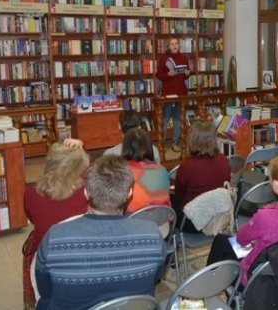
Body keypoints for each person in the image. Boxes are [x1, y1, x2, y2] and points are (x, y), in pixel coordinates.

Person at [34, 155, 166, 310]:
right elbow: (155, 278)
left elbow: (46, 292)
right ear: (130, 193)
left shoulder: (54, 238)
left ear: (86, 193)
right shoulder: (152, 234)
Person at [206, 155, 278, 286]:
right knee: (223, 241)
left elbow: (241, 239)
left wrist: (255, 239)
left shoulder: (265, 216)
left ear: (275, 184)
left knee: (221, 241)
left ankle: (211, 282)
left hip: (255, 279)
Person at [22, 138, 89, 309]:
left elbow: (31, 218)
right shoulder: (87, 191)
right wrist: (81, 148)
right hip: (80, 254)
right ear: (78, 167)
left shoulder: (31, 193)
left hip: (46, 257)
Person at [175, 120, 231, 231]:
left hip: (192, 223)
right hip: (218, 217)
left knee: (170, 203)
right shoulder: (224, 160)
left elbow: (179, 196)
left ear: (191, 140)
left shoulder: (186, 167)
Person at [121, 127, 170, 213]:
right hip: (162, 220)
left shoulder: (120, 172)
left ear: (125, 147)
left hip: (132, 220)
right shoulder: (162, 170)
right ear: (149, 146)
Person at [156, 37, 190, 152]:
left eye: (176, 44)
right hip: (168, 93)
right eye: (172, 44)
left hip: (180, 92)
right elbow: (158, 75)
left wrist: (187, 73)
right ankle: (162, 143)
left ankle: (175, 142)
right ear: (168, 47)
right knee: (165, 116)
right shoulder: (164, 58)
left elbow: (186, 76)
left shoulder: (184, 58)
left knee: (178, 117)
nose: (174, 46)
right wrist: (168, 74)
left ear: (179, 45)